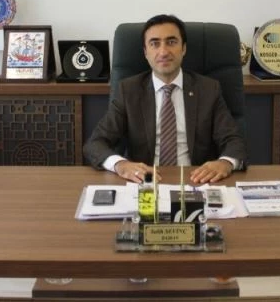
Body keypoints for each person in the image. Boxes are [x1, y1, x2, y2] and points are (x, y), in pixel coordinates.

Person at [83, 14, 246, 184]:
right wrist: (121, 165)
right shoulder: (129, 91)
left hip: (196, 181)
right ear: (145, 52)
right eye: (154, 43)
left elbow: (234, 140)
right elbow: (95, 144)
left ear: (183, 48)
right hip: (145, 183)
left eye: (171, 42)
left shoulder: (208, 89)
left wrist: (225, 163)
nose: (163, 52)